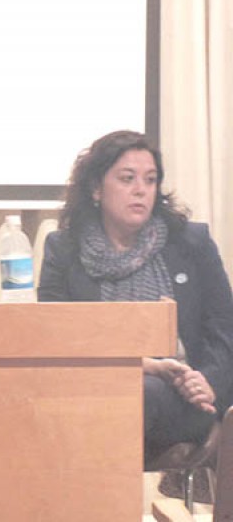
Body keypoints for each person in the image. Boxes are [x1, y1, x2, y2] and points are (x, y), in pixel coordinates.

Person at [38, 130, 233, 462]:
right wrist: (144, 365)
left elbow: (224, 326)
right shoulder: (64, 250)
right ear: (96, 188)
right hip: (97, 388)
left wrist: (208, 380)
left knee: (137, 393)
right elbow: (55, 336)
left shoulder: (191, 242)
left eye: (150, 180)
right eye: (127, 179)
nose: (141, 189)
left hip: (187, 396)